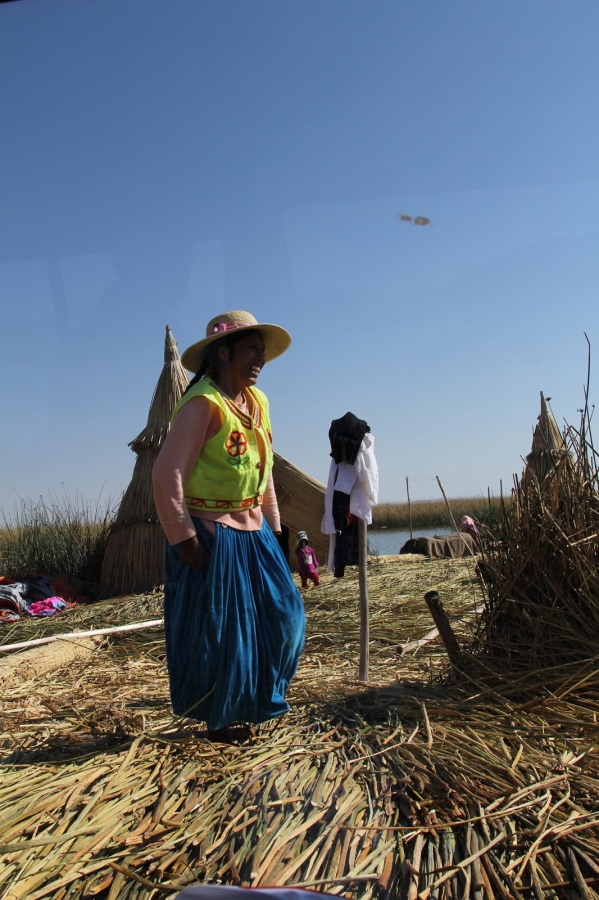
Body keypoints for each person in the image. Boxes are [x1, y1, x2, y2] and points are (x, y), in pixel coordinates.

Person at [153, 310, 305, 742]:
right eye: (250, 349)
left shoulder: (258, 403)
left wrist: (276, 531)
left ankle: (258, 700)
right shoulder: (203, 403)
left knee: (286, 619)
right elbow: (167, 474)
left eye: (261, 350)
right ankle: (221, 721)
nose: (259, 358)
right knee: (223, 635)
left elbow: (265, 470)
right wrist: (184, 538)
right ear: (222, 353)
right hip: (211, 533)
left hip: (255, 531)